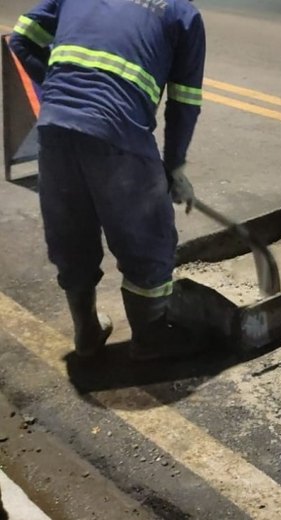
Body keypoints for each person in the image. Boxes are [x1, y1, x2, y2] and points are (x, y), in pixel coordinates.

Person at [9, 0, 206, 360]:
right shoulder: (182, 13)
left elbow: (21, 37)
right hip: (118, 132)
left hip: (54, 129)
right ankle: (149, 340)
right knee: (149, 237)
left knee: (71, 234)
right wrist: (174, 167)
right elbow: (184, 102)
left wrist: (57, 90)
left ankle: (86, 331)